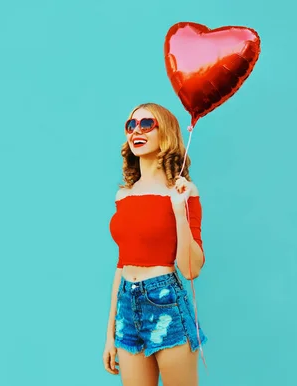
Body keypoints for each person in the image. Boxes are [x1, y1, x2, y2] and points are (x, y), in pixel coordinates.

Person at [103, 102, 207, 386]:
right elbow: (121, 264)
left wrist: (178, 210)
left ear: (167, 133)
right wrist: (109, 333)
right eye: (131, 125)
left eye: (146, 124)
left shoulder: (183, 192)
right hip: (127, 303)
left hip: (165, 302)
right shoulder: (123, 196)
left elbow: (190, 269)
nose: (136, 130)